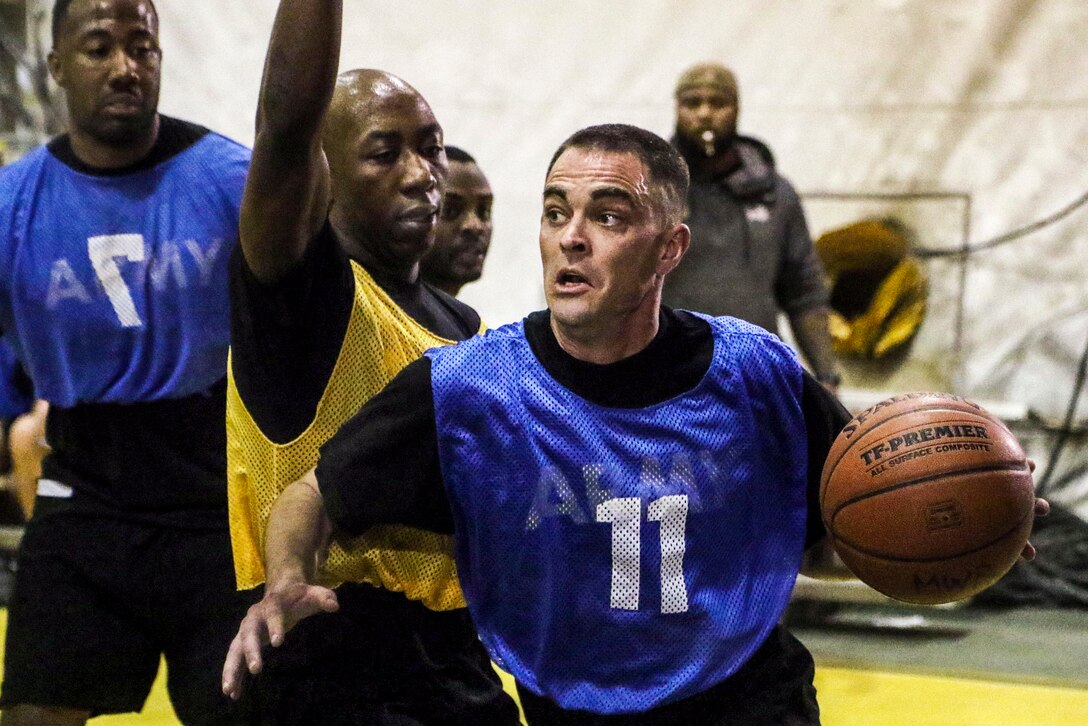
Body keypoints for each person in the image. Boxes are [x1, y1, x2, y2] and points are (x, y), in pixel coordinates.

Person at [222, 123, 852, 722]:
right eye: (555, 213)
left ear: (669, 248)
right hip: (572, 712)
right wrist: (285, 581)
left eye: (607, 217)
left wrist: (922, 544)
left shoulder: (753, 372)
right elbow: (312, 492)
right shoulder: (473, 387)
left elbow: (838, 534)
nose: (572, 238)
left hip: (750, 701)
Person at [223, 0, 518, 722]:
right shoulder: (303, 298)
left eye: (433, 147)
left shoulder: (465, 326)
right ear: (325, 176)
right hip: (329, 655)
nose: (423, 174)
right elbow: (286, 129)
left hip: (452, 659)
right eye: (386, 153)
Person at [0, 0, 257, 722]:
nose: (124, 67)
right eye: (99, 47)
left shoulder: (229, 177)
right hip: (85, 492)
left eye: (141, 46)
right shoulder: (12, 205)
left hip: (218, 504)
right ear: (55, 66)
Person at [664, 62, 842, 392]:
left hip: (754, 377)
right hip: (667, 374)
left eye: (718, 103)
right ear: (676, 108)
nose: (705, 114)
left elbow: (803, 292)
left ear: (737, 109)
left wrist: (827, 376)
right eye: (693, 103)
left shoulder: (775, 194)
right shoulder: (652, 189)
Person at [420, 145, 494, 297]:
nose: (475, 225)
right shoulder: (371, 312)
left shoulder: (464, 319)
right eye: (450, 211)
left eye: (484, 211)